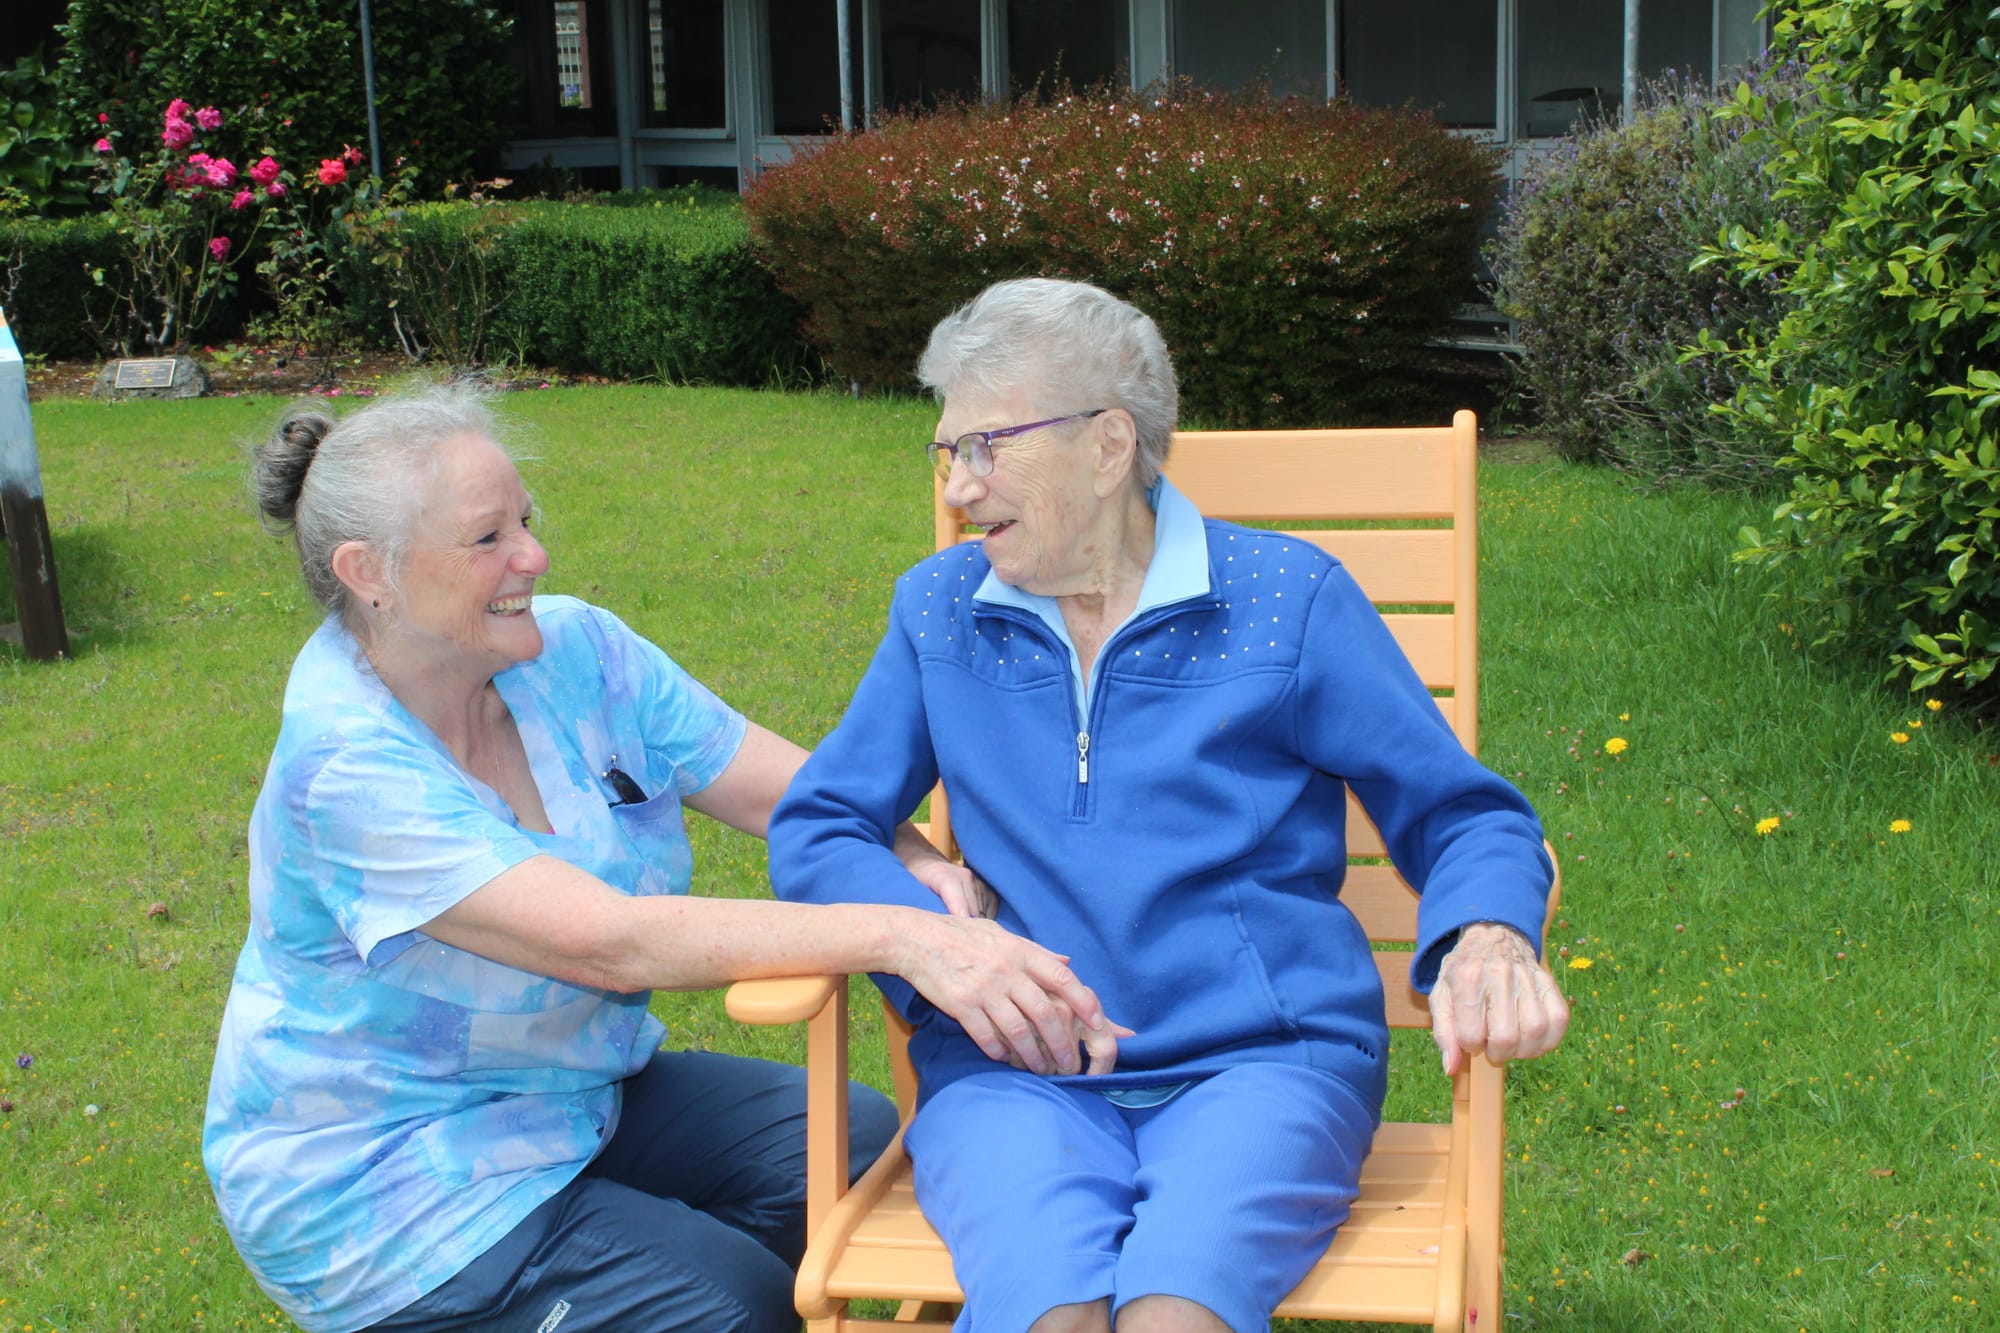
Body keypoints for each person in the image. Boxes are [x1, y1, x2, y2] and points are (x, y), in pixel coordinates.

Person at [202, 384, 1118, 1333]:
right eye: (488, 540)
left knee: (854, 1148)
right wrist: (909, 937)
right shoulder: (345, 766)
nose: (533, 554)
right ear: (369, 573)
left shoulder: (577, 649)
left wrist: (913, 853)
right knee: (739, 1308)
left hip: (571, 1099)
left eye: (527, 519)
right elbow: (612, 946)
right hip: (389, 1185)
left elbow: (787, 790)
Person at [768, 278, 1571, 1333]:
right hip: (1015, 1073)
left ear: (1106, 448)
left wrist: (1486, 931)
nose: (959, 489)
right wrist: (932, 940)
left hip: (1263, 1065)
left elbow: (1464, 816)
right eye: (947, 453)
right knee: (1044, 1316)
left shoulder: (1285, 602)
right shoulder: (942, 614)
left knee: (1172, 1317)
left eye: (985, 448)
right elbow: (820, 821)